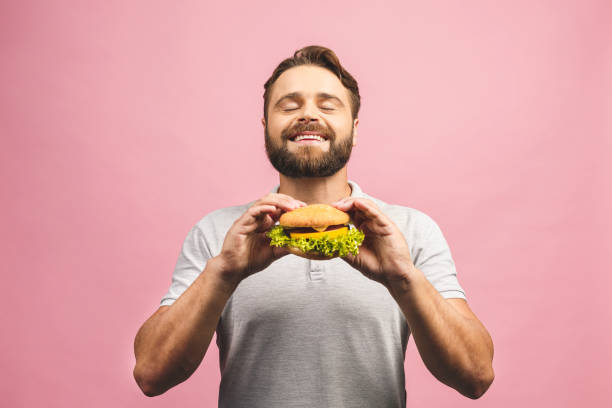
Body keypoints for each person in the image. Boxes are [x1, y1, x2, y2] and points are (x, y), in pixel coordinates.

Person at [133, 45, 495, 407]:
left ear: (354, 129)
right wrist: (223, 273)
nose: (307, 115)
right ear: (265, 128)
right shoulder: (220, 233)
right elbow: (151, 374)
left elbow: (475, 376)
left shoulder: (410, 230)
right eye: (289, 105)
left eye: (327, 105)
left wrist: (403, 278)